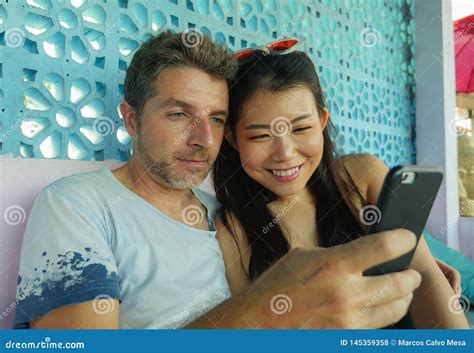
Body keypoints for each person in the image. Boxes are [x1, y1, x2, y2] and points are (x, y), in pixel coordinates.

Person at [13, 32, 458, 329]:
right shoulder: (77, 204)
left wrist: (418, 272)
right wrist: (265, 311)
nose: (203, 139)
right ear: (130, 119)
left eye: (217, 119)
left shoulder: (221, 215)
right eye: (178, 114)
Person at [213, 39, 469, 328]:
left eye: (302, 128)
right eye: (261, 136)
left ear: (322, 121)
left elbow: (427, 278)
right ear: (233, 139)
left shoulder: (362, 176)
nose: (285, 154)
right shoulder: (234, 231)